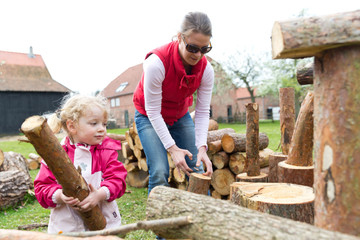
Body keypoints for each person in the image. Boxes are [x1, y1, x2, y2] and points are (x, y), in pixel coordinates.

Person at [133, 11, 214, 195]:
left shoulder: (207, 70)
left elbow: (202, 112)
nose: (198, 55)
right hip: (148, 116)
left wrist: (202, 147)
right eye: (193, 48)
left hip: (179, 115)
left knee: (197, 168)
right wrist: (173, 149)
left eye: (205, 49)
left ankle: (204, 220)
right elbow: (153, 111)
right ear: (180, 37)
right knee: (160, 171)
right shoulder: (156, 63)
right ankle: (157, 222)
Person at [34, 94, 127, 234]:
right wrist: (60, 195)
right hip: (67, 227)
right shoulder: (54, 155)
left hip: (104, 223)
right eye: (94, 123)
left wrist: (100, 194)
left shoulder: (106, 150)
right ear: (72, 126)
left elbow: (118, 179)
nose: (102, 128)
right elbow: (42, 187)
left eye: (104, 123)